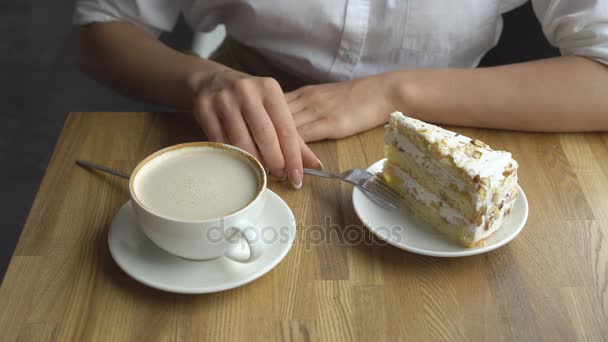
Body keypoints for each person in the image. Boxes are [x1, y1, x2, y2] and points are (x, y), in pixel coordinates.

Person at [73, 1, 608, 189]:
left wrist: (393, 92)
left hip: (459, 118)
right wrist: (201, 81)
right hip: (243, 120)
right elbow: (102, 29)